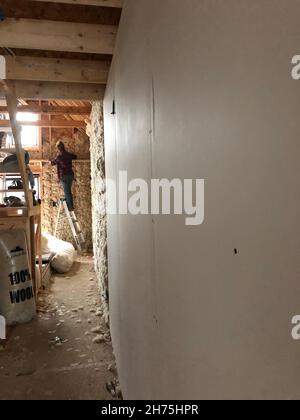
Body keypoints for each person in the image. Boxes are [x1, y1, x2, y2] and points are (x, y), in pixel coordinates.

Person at [51, 141, 77, 211]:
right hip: (70, 175)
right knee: (68, 191)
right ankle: (70, 206)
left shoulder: (59, 157)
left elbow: (52, 163)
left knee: (67, 192)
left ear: (58, 148)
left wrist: (50, 160)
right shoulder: (68, 154)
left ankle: (70, 207)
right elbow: (75, 156)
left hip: (64, 176)